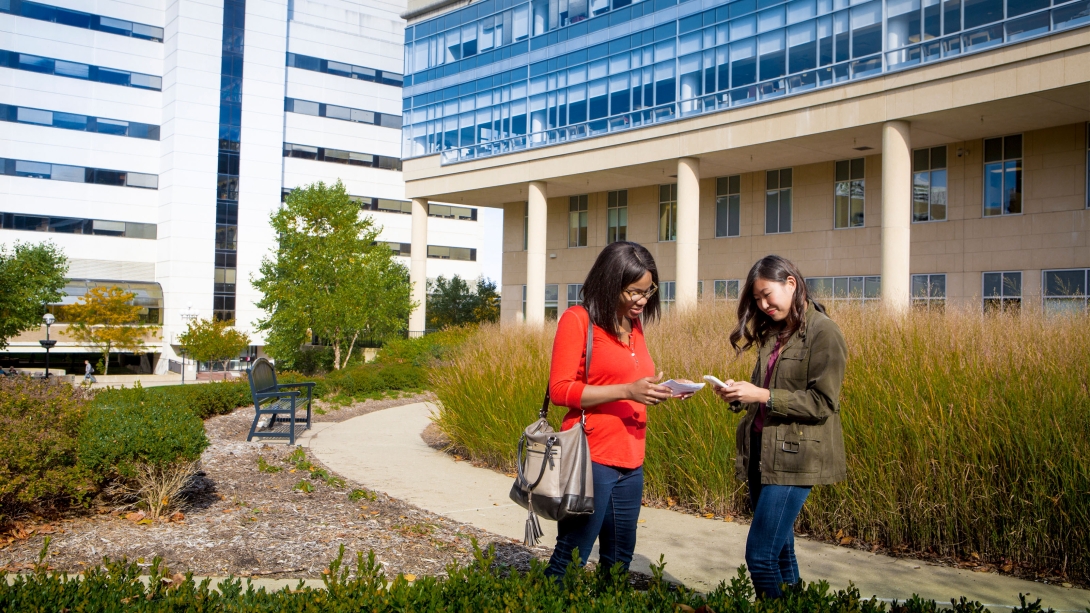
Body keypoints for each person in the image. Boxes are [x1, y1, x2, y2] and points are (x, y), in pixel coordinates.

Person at [545, 241, 693, 578]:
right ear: (610, 283)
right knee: (571, 556)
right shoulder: (578, 320)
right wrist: (627, 390)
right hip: (590, 455)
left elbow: (633, 382)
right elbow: (560, 390)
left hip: (631, 457)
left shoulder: (634, 325)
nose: (643, 300)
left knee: (619, 560)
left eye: (648, 290)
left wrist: (665, 388)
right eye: (633, 292)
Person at [712, 255, 848, 598]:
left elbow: (823, 403)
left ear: (791, 283)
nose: (762, 304)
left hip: (796, 460)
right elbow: (766, 392)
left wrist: (762, 393)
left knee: (759, 557)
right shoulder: (775, 333)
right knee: (781, 553)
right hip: (762, 455)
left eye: (766, 294)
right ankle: (796, 605)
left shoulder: (824, 332)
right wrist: (740, 395)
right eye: (756, 299)